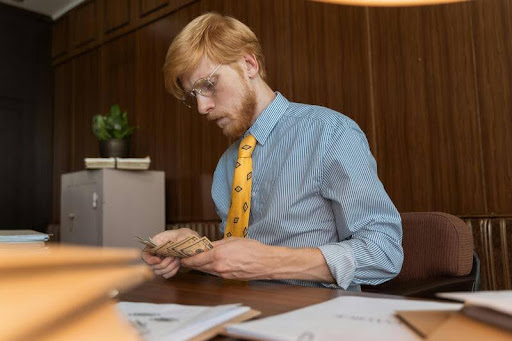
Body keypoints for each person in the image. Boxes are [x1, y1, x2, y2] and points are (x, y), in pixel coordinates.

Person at [142, 12, 403, 291]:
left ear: (249, 64)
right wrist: (191, 247)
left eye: (208, 85)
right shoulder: (227, 165)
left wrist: (269, 262)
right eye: (194, 96)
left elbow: (384, 252)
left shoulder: (330, 133)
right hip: (240, 312)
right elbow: (237, 258)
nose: (203, 107)